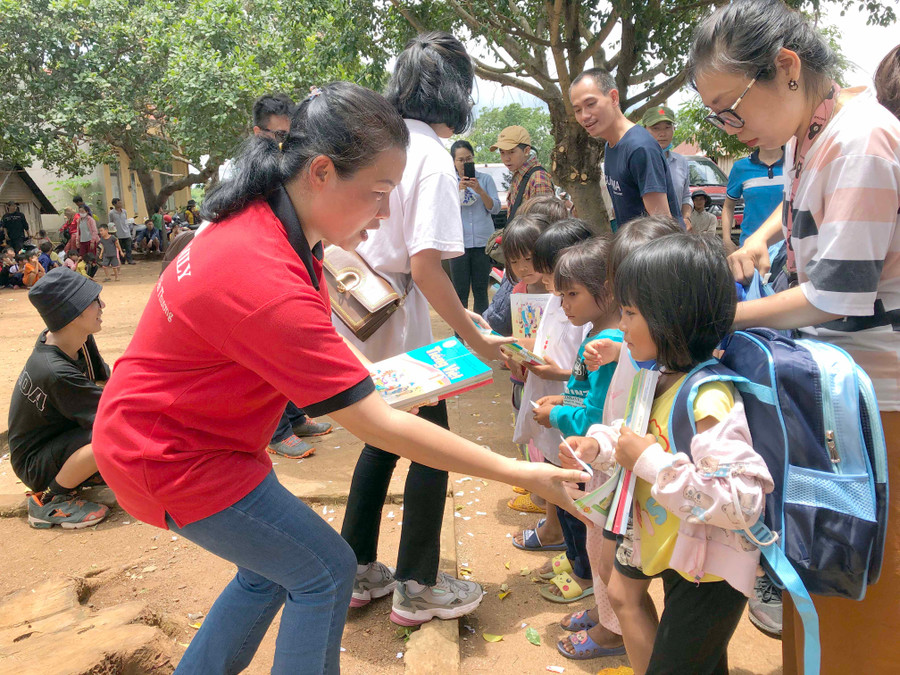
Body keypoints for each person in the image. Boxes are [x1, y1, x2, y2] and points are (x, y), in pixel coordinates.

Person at [91, 80, 588, 675]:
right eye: (378, 194)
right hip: (173, 456)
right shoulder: (263, 273)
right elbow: (375, 424)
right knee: (325, 570)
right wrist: (522, 469)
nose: (383, 217)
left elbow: (331, 353)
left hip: (179, 437)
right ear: (320, 172)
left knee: (272, 569)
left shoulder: (271, 224)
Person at [690, 2, 900, 670]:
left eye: (730, 107)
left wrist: (713, 314)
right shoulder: (812, 138)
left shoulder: (861, 140)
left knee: (859, 583)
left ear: (785, 68)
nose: (728, 125)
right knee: (812, 569)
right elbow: (798, 212)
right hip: (835, 390)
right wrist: (758, 241)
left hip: (878, 403)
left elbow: (834, 296)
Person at [334, 33, 514, 628]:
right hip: (394, 317)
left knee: (379, 437)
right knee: (429, 442)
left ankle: (357, 569)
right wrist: (475, 333)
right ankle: (417, 583)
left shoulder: (381, 143)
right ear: (457, 91)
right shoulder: (434, 157)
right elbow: (426, 267)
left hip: (356, 305)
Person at [565, 233, 774, 674]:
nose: (620, 325)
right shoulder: (658, 376)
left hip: (712, 576)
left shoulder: (709, 397)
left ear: (671, 318)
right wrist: (600, 445)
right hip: (682, 558)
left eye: (630, 313)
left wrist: (648, 462)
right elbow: (635, 432)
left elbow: (741, 499)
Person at [528, 236, 626, 661]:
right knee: (594, 544)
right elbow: (583, 397)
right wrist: (562, 402)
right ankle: (605, 614)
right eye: (561, 294)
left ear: (606, 288)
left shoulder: (605, 344)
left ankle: (613, 630)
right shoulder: (597, 333)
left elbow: (594, 418)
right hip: (596, 461)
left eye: (572, 294)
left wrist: (558, 416)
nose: (564, 304)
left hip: (603, 463)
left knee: (605, 551)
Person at [250, 92, 334, 456]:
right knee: (272, 348)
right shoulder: (253, 176)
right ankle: (276, 429)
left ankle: (296, 414)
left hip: (299, 256)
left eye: (292, 136)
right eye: (278, 137)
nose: (286, 145)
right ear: (258, 134)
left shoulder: (293, 167)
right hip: (268, 272)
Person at [512, 220, 594, 577]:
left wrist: (556, 379)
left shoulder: (591, 321)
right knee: (559, 487)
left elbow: (583, 376)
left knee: (574, 495)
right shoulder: (558, 301)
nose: (550, 288)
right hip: (554, 409)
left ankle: (583, 568)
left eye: (554, 280)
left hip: (571, 418)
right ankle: (574, 554)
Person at [8, 268, 111, 529]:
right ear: (73, 313)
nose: (103, 305)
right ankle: (51, 499)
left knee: (117, 429)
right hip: (35, 464)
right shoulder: (55, 371)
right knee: (113, 436)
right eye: (94, 302)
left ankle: (86, 471)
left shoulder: (76, 339)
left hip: (57, 439)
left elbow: (105, 383)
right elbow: (113, 417)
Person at [570, 69, 684, 228]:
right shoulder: (610, 147)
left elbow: (663, 224)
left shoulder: (640, 148)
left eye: (590, 104)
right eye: (577, 110)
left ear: (613, 98)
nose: (584, 116)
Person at [449, 139, 500, 314]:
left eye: (469, 159)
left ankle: (481, 336)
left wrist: (480, 190)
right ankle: (460, 337)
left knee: (481, 292)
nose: (465, 163)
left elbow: (495, 208)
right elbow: (444, 210)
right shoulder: (449, 182)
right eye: (461, 160)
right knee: (459, 294)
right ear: (453, 162)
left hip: (482, 244)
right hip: (458, 245)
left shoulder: (485, 179)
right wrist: (458, 190)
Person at [640, 106, 693, 228]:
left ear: (674, 129)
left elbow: (686, 196)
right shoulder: (638, 160)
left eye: (667, 128)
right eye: (655, 128)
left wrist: (686, 217)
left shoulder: (681, 162)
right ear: (644, 130)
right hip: (645, 233)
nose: (662, 134)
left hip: (675, 232)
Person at [722, 146, 785, 247]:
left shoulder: (796, 163)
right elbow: (728, 206)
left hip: (788, 247)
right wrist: (727, 241)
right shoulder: (740, 167)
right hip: (750, 246)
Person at [491, 125, 554, 221]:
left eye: (511, 152)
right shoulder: (518, 174)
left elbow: (544, 221)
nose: (506, 158)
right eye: (502, 152)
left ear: (526, 151)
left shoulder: (538, 178)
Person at [109, 199, 135, 264]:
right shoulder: (111, 213)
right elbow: (110, 223)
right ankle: (121, 260)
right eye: (118, 203)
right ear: (114, 204)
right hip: (117, 233)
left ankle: (130, 260)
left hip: (126, 232)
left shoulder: (124, 212)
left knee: (128, 248)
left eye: (121, 203)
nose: (120, 204)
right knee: (119, 248)